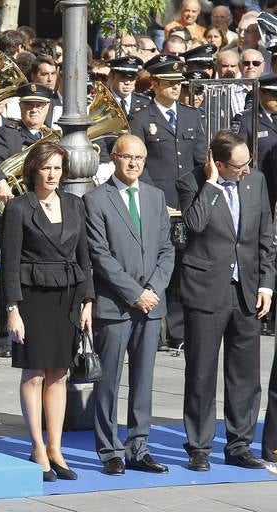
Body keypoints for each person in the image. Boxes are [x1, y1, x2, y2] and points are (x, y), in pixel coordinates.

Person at [178, 130, 275, 472]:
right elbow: (195, 224)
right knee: (201, 373)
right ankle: (199, 446)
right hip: (206, 289)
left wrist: (266, 283)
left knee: (245, 375)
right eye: (239, 165)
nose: (247, 169)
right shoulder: (193, 182)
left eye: (249, 162)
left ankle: (239, 444)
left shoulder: (256, 181)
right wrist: (212, 185)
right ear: (218, 165)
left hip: (247, 290)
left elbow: (265, 236)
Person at [1, 142, 93, 482]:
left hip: (67, 297)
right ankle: (37, 446)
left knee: (60, 374)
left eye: (57, 167)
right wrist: (12, 309)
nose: (52, 174)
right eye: (46, 168)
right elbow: (9, 264)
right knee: (34, 373)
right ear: (33, 170)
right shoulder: (19, 208)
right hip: (32, 298)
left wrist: (88, 302)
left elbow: (85, 257)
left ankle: (56, 447)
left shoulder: (74, 203)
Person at [84, 134, 175, 476]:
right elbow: (100, 255)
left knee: (144, 379)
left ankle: (139, 446)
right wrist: (134, 292)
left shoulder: (155, 197)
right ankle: (110, 450)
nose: (134, 163)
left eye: (139, 157)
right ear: (114, 158)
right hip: (116, 305)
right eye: (127, 157)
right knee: (108, 381)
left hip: (151, 305)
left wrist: (152, 289)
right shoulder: (96, 200)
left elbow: (167, 249)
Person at [128, 55, 206, 351]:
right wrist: (154, 198)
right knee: (161, 262)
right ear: (157, 84)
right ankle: (162, 325)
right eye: (170, 83)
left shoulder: (190, 116)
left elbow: (199, 157)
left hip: (186, 202)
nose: (176, 88)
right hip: (158, 203)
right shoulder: (141, 117)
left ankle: (179, 330)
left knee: (184, 261)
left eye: (178, 83)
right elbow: (138, 161)